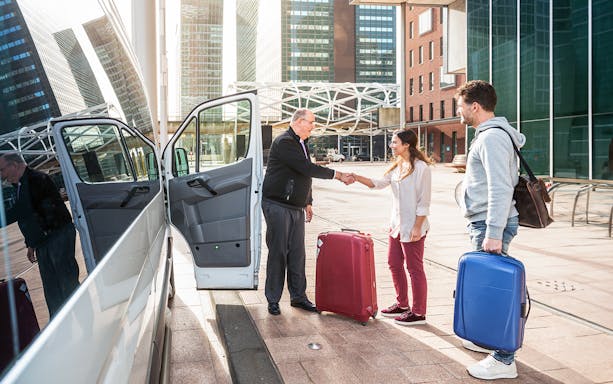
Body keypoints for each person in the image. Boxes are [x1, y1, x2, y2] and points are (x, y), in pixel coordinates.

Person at [455, 80, 526, 380]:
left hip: (490, 223)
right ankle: (488, 339)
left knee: (495, 290)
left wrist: (493, 232)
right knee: (487, 286)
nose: (458, 112)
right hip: (484, 221)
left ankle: (504, 359)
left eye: (460, 106)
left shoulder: (491, 138)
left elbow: (500, 187)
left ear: (475, 106)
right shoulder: (488, 135)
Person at [261, 109, 354, 316]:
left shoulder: (302, 143)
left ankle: (298, 297)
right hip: (277, 205)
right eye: (311, 122)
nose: (314, 126)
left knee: (297, 254)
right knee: (278, 253)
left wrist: (307, 201)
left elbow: (304, 175)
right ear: (299, 122)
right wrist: (338, 175)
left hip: (295, 206)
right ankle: (273, 300)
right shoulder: (284, 141)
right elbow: (306, 168)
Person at [350, 129, 432, 325]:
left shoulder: (421, 168)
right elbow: (377, 184)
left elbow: (424, 202)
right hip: (396, 226)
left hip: (413, 227)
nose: (391, 146)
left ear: (407, 145)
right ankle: (402, 304)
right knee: (394, 264)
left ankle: (419, 312)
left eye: (395, 142)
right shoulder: (397, 167)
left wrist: (417, 227)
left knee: (414, 269)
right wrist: (355, 176)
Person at [0, 153, 80, 317]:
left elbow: (24, 210)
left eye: (2, 170)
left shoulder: (37, 180)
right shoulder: (22, 185)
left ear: (14, 165)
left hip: (57, 236)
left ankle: (82, 319)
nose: (2, 175)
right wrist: (31, 243)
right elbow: (31, 216)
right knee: (52, 289)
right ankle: (60, 328)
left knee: (67, 284)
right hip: (45, 240)